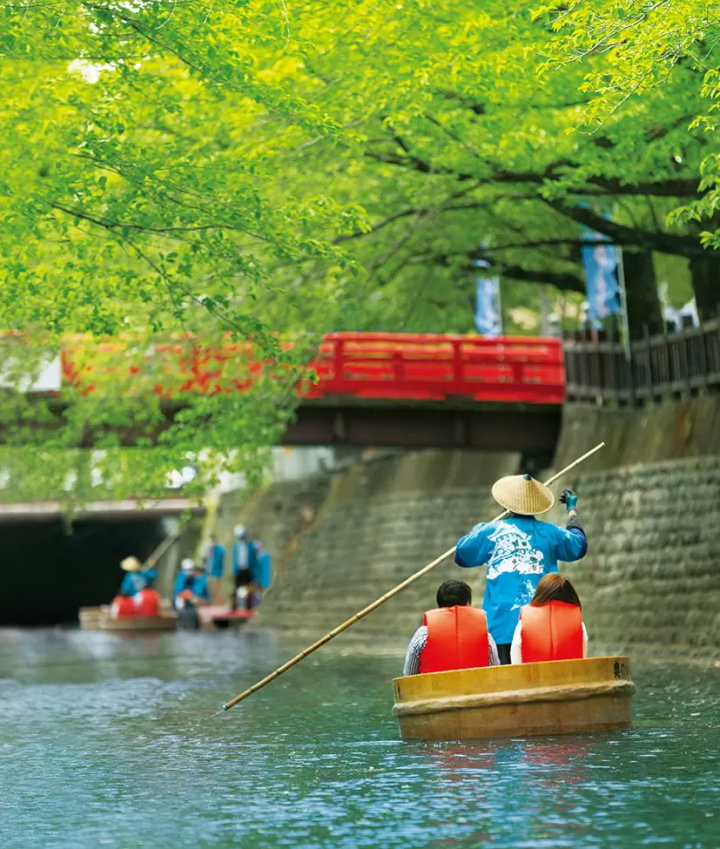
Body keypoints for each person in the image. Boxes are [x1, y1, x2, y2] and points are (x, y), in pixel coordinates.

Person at [455, 475, 587, 665]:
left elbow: (462, 555)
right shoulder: (552, 533)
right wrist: (571, 509)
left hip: (500, 629)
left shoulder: (490, 531)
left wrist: (478, 529)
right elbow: (579, 545)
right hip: (544, 630)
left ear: (506, 503)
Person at [403, 580, 500, 676]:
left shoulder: (422, 635)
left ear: (439, 606)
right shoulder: (485, 636)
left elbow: (408, 675)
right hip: (474, 690)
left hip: (434, 690)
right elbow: (494, 673)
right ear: (467, 604)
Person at [511, 573, 588, 663]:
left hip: (532, 676)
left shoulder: (522, 625)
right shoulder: (579, 626)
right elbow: (582, 660)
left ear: (540, 595)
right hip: (569, 676)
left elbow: (516, 663)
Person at [231, 525, 258, 611]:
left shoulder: (251, 546)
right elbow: (235, 558)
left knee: (249, 588)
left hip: (248, 570)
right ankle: (234, 606)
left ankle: (249, 607)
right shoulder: (236, 546)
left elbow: (254, 559)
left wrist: (254, 570)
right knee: (236, 588)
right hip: (239, 569)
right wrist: (234, 569)